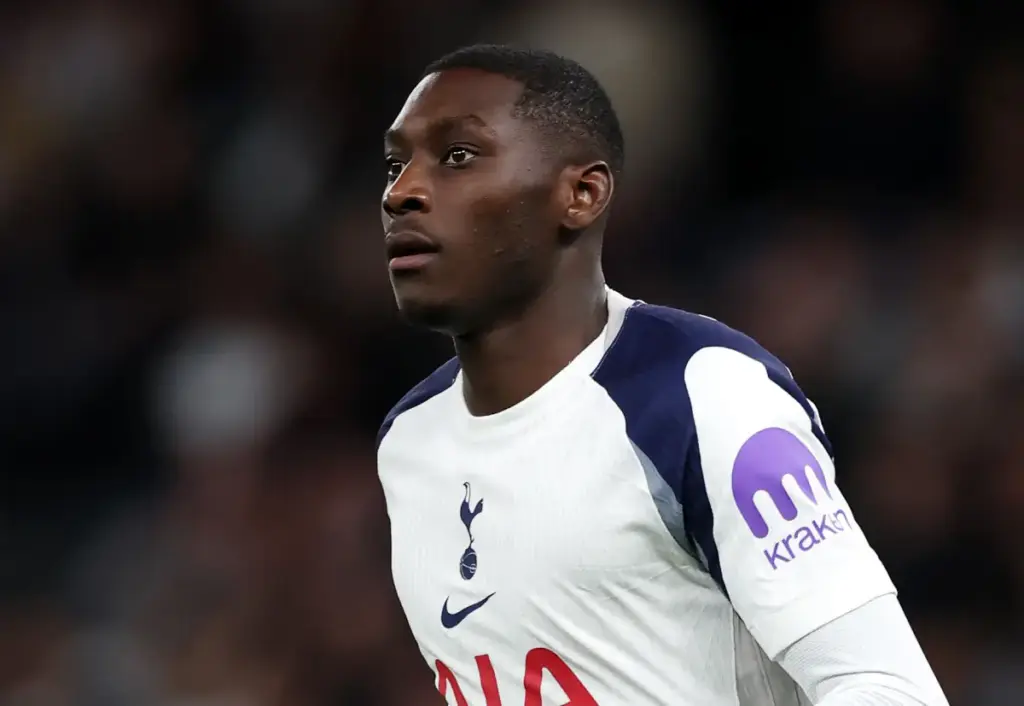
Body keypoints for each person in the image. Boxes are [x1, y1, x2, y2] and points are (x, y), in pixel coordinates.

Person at [375, 44, 949, 705]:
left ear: (581, 194)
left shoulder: (700, 394)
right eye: (395, 165)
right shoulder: (409, 441)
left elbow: (884, 686)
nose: (402, 192)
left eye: (457, 157)